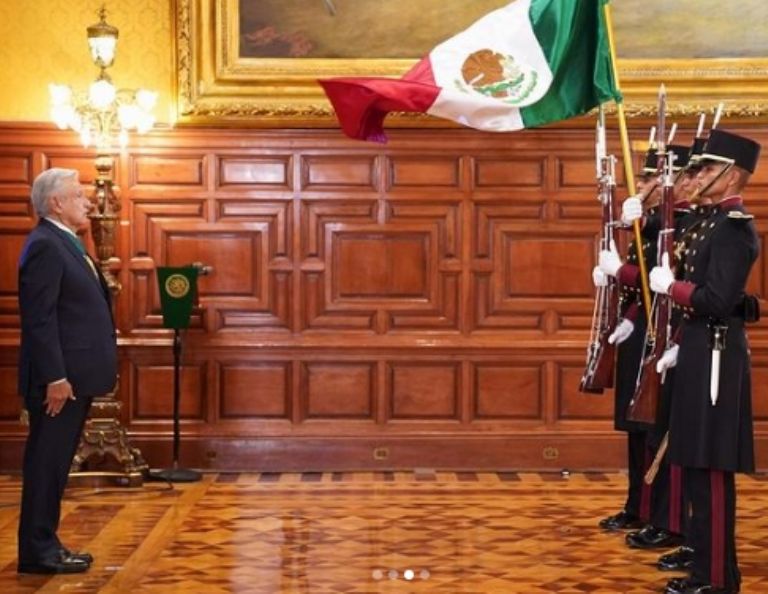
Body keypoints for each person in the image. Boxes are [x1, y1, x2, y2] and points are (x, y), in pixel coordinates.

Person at [649, 129, 761, 594]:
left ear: (733, 174)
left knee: (711, 469)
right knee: (694, 462)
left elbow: (716, 300)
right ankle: (703, 561)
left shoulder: (734, 229)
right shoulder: (710, 223)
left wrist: (669, 287)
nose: (697, 177)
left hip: (716, 352)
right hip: (696, 347)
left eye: (707, 169)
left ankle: (717, 578)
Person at [16, 168, 117, 574]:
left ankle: (47, 544)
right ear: (56, 202)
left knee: (55, 465)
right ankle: (37, 552)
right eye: (78, 195)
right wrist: (56, 377)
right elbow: (39, 320)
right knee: (46, 463)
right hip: (60, 382)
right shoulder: (45, 245)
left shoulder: (66, 242)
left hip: (75, 378)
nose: (88, 201)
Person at [593, 145, 661, 534]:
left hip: (664, 337)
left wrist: (620, 271)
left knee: (651, 427)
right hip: (640, 331)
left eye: (651, 179)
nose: (644, 185)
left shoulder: (671, 225)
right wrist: (628, 319)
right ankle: (637, 504)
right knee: (635, 425)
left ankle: (656, 511)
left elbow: (657, 282)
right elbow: (641, 291)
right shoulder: (644, 226)